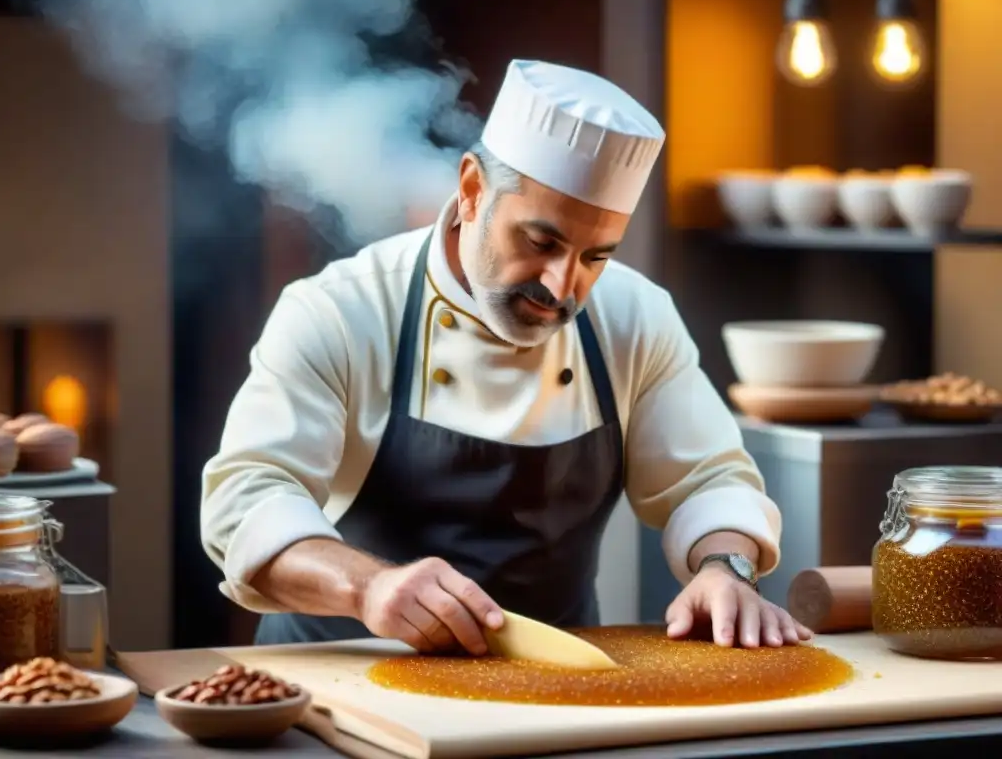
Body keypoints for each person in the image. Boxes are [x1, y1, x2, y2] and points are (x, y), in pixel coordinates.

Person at [201, 58, 811, 655]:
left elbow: (709, 480)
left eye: (595, 257)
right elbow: (245, 501)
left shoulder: (635, 315)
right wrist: (369, 588)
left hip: (552, 697)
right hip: (344, 685)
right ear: (471, 192)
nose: (561, 285)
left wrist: (726, 570)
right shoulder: (339, 310)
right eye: (540, 240)